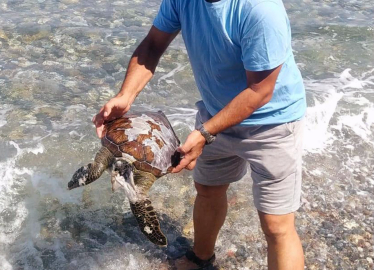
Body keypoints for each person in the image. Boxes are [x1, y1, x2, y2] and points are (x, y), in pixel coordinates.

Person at [92, 0, 306, 269]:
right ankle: (201, 257)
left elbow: (260, 91)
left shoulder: (259, 9)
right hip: (215, 113)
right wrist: (125, 95)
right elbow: (153, 45)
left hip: (272, 123)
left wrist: (204, 133)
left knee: (276, 225)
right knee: (207, 188)